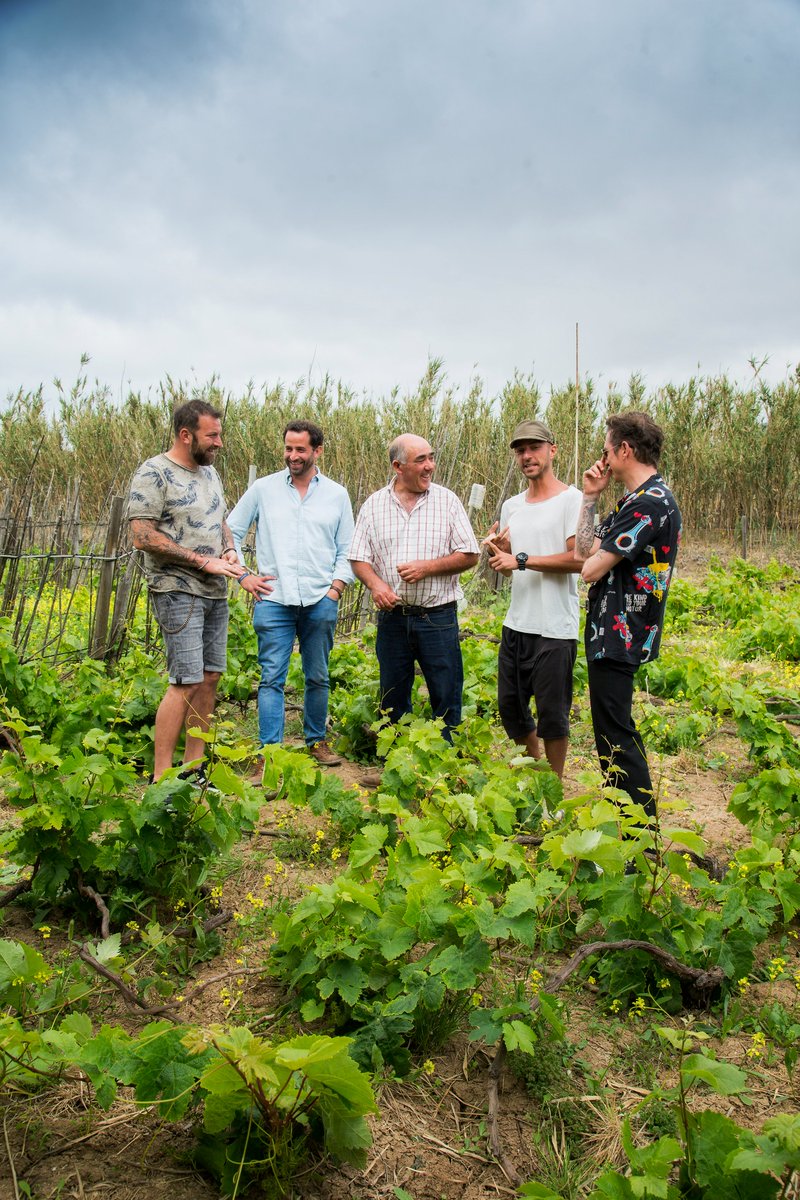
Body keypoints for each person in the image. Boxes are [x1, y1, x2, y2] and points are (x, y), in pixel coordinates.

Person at [128, 400, 271, 780]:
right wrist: (200, 560)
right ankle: (161, 777)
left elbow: (220, 519)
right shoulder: (154, 473)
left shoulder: (209, 474)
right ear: (185, 434)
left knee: (209, 678)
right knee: (184, 681)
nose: (219, 443)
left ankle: (194, 768)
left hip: (213, 591)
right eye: (213, 435)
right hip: (177, 589)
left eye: (219, 435)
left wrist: (226, 549)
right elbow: (142, 535)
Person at [227, 420, 354, 771]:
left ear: (317, 451)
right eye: (288, 448)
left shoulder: (336, 495)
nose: (293, 456)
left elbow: (348, 549)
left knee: (318, 675)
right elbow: (230, 532)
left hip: (319, 601)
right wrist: (243, 576)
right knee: (271, 679)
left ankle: (316, 741)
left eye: (300, 449)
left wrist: (335, 589)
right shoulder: (263, 489)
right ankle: (272, 753)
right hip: (274, 600)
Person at [575, 411, 682, 815]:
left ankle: (639, 837)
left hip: (623, 631)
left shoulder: (650, 504)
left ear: (624, 449)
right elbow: (583, 550)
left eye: (606, 450)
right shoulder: (636, 501)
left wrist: (596, 561)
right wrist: (590, 496)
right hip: (612, 631)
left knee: (617, 734)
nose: (602, 458)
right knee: (610, 731)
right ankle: (632, 831)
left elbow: (588, 569)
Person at [349, 433, 479, 739]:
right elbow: (358, 558)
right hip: (393, 618)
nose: (430, 466)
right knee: (392, 694)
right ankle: (397, 761)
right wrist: (376, 585)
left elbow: (470, 554)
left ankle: (445, 764)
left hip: (437, 617)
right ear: (398, 466)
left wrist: (427, 568)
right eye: (421, 460)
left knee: (446, 692)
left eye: (431, 458)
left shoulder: (446, 501)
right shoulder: (373, 505)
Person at [483, 420, 583, 778]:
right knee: (510, 707)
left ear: (552, 451)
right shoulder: (512, 506)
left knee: (553, 715)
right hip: (517, 622)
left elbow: (579, 560)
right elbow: (509, 569)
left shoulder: (573, 500)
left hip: (555, 627)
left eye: (534, 448)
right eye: (520, 450)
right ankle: (534, 771)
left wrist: (521, 559)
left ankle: (552, 787)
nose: (527, 456)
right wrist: (504, 554)